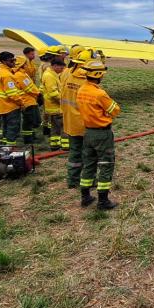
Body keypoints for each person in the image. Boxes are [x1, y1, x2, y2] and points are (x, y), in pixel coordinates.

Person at [78, 59, 121, 210]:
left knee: (89, 164)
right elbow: (115, 110)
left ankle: (85, 197)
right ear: (98, 74)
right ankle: (103, 201)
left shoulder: (81, 89)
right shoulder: (99, 93)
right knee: (106, 164)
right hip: (102, 134)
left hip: (88, 132)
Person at [62, 48, 93, 190]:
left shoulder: (67, 74)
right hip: (84, 123)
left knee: (74, 152)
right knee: (88, 153)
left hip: (69, 120)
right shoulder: (86, 81)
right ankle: (88, 180)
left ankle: (72, 179)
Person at [0, 52, 22, 146]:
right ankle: (10, 146)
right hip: (10, 106)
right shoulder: (7, 75)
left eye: (14, 60)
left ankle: (4, 142)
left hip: (0, 105)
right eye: (11, 60)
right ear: (3, 61)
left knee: (5, 125)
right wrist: (21, 103)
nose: (14, 62)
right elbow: (12, 94)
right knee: (13, 126)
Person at [14, 56, 42, 145]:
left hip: (30, 100)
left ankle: (31, 136)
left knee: (31, 121)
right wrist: (39, 94)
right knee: (28, 122)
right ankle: (28, 139)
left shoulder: (22, 74)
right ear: (22, 65)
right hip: (27, 102)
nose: (27, 65)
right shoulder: (20, 75)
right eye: (26, 64)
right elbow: (29, 88)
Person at [41, 58, 66, 151]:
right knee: (61, 127)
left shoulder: (51, 74)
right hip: (55, 107)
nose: (62, 70)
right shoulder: (49, 76)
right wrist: (64, 101)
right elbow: (53, 93)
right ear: (54, 66)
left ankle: (55, 145)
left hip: (52, 106)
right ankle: (65, 146)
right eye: (60, 68)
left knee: (55, 128)